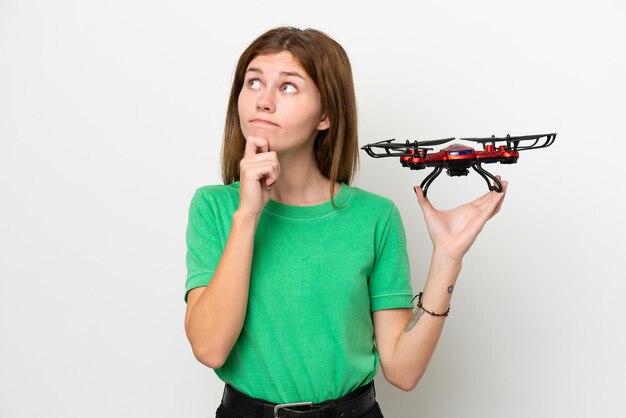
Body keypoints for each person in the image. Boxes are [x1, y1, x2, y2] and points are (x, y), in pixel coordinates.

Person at [183, 26, 507, 418]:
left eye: (288, 87)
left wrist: (448, 257)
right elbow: (210, 347)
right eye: (253, 82)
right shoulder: (214, 208)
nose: (263, 101)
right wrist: (248, 215)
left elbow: (403, 371)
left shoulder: (374, 217)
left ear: (326, 115)